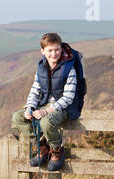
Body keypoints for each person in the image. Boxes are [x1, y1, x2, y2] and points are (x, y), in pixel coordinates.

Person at [11, 32, 79, 171]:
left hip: (63, 107)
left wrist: (46, 111)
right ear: (42, 51)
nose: (54, 53)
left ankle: (56, 150)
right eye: (50, 50)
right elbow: (35, 90)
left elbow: (68, 98)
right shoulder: (41, 68)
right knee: (17, 117)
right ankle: (43, 144)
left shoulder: (69, 69)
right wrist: (29, 107)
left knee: (46, 122)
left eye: (57, 49)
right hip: (43, 105)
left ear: (61, 48)